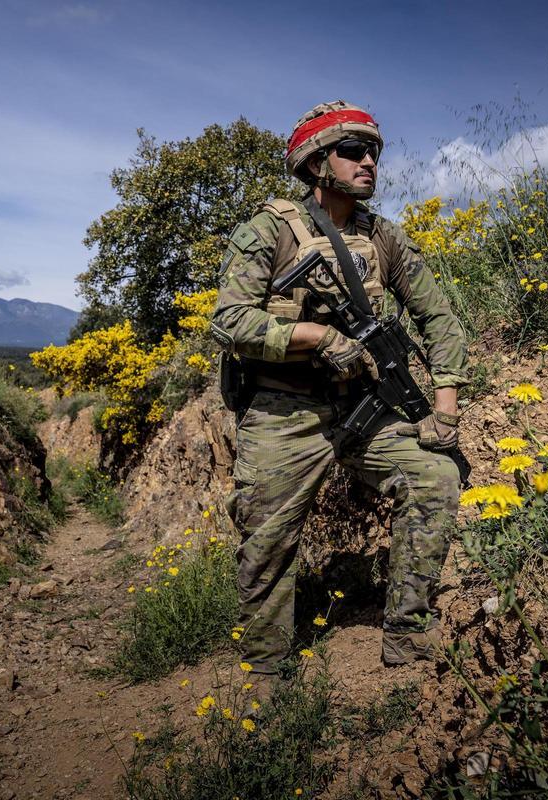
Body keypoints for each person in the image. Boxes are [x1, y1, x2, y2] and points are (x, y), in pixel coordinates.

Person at [209, 101, 470, 677]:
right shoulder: (269, 230)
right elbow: (229, 321)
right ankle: (268, 670)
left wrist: (444, 406)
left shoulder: (384, 237)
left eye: (374, 150)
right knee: (269, 540)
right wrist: (315, 336)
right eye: (352, 150)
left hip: (363, 405)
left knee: (436, 475)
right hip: (283, 411)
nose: (369, 160)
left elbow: (441, 320)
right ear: (315, 162)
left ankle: (406, 636)